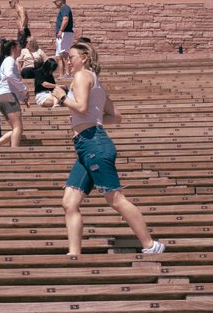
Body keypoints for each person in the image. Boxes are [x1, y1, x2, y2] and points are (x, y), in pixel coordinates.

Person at [49, 41, 165, 256]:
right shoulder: (95, 81)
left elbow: (82, 107)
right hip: (88, 144)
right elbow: (116, 116)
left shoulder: (82, 76)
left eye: (71, 57)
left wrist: (63, 98)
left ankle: (151, 245)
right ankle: (74, 254)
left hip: (93, 142)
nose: (68, 61)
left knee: (115, 199)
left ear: (83, 57)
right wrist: (92, 118)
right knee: (69, 202)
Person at [0, 38, 27, 150]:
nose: (21, 49)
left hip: (2, 96)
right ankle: (14, 152)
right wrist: (23, 88)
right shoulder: (10, 60)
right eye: (19, 46)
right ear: (13, 48)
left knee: (16, 128)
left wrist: (22, 97)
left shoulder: (6, 61)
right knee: (18, 127)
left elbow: (10, 83)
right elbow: (9, 76)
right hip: (7, 96)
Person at [53, 0, 75, 78]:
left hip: (65, 33)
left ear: (60, 1)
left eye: (56, 1)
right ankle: (61, 74)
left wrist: (61, 30)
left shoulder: (65, 8)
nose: (55, 3)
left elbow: (65, 19)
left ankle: (68, 73)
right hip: (62, 33)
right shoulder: (63, 9)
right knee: (58, 56)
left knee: (64, 53)